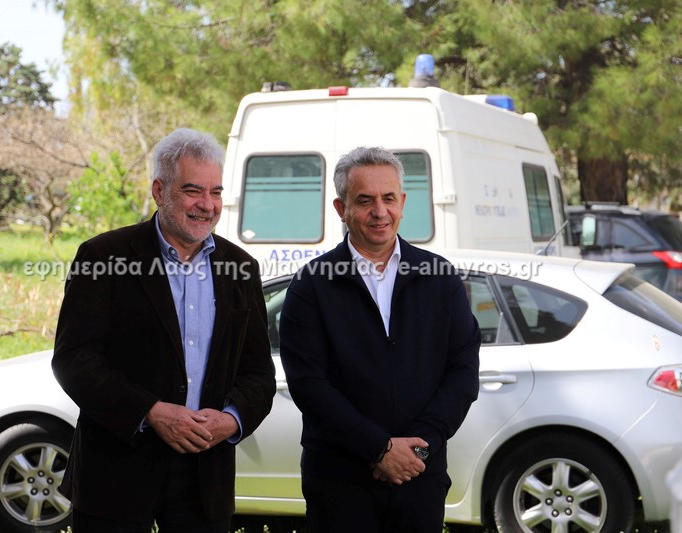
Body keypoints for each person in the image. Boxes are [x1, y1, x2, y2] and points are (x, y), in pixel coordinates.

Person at [52, 127, 276, 532]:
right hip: (115, 476)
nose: (207, 205)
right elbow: (75, 361)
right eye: (193, 191)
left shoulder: (241, 268)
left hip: (205, 479)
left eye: (216, 192)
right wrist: (150, 412)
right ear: (159, 191)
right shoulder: (103, 256)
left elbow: (258, 372)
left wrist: (232, 419)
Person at [279, 146, 481, 532]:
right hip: (339, 483)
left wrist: (418, 448)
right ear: (341, 208)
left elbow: (463, 371)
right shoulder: (311, 285)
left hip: (419, 476)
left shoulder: (441, 278)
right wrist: (379, 449)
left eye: (388, 198)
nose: (379, 211)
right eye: (364, 200)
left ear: (402, 203)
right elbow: (308, 384)